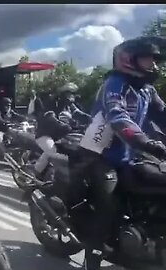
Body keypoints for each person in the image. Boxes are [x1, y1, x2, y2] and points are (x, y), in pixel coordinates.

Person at [70, 37, 166, 270]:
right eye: (148, 59)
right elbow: (118, 117)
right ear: (129, 60)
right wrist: (148, 142)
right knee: (109, 205)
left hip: (132, 156)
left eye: (155, 60)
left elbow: (163, 114)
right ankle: (91, 261)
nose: (154, 65)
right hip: (102, 156)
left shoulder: (147, 90)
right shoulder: (114, 84)